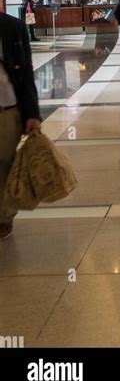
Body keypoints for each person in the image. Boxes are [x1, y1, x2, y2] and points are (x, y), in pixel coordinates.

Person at [0, 12, 41, 240]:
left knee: (5, 165)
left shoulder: (12, 27)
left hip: (7, 109)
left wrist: (32, 115)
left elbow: (26, 75)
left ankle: (4, 217)